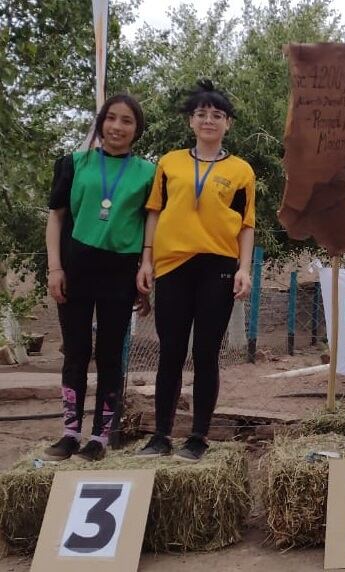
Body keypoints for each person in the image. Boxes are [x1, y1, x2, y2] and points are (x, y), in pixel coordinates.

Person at [136, 80, 255, 462]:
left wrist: (245, 268)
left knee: (206, 353)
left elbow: (247, 225)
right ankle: (160, 435)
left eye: (217, 115)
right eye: (201, 114)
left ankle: (199, 436)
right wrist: (146, 260)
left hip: (218, 265)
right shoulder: (169, 162)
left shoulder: (241, 171)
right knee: (170, 351)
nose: (209, 120)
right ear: (191, 121)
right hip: (173, 264)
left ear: (227, 125)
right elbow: (154, 211)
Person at [42, 94, 155, 462]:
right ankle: (70, 433)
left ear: (137, 131)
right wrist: (55, 268)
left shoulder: (149, 174)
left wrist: (144, 267)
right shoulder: (74, 163)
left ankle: (101, 437)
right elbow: (57, 218)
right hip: (76, 268)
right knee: (75, 352)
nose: (117, 127)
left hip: (119, 273)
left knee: (109, 355)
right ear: (100, 122)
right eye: (111, 119)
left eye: (127, 121)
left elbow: (152, 224)